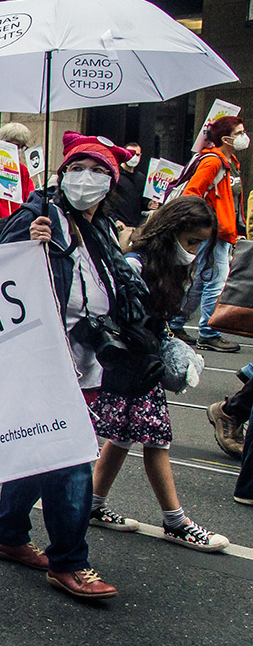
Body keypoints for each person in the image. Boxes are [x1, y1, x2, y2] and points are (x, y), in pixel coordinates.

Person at [0, 132, 136, 600]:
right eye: (76, 168)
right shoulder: (39, 215)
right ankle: (70, 561)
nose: (85, 178)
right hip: (43, 360)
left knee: (40, 449)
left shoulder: (104, 231)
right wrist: (23, 243)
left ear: (110, 182)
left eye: (97, 171)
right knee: (70, 454)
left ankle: (8, 534)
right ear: (61, 173)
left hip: (86, 362)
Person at [87, 195, 229, 552]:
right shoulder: (136, 264)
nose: (194, 250)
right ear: (172, 232)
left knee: (122, 437)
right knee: (156, 440)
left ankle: (92, 504)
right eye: (192, 242)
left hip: (141, 363)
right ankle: (175, 521)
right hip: (131, 364)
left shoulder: (165, 265)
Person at [168, 115, 247, 353]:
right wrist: (209, 223)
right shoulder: (213, 162)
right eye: (239, 133)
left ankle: (177, 323)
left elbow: (232, 201)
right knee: (216, 281)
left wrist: (237, 227)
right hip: (214, 233)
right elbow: (192, 193)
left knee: (201, 280)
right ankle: (208, 333)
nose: (244, 137)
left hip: (221, 232)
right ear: (225, 138)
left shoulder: (229, 161)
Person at [107, 141, 147, 227]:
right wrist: (115, 220)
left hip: (137, 226)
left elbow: (142, 201)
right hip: (120, 226)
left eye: (137, 155)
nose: (134, 157)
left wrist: (149, 204)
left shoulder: (141, 178)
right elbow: (107, 202)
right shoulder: (115, 175)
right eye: (131, 154)